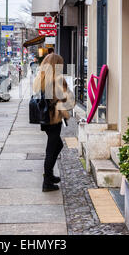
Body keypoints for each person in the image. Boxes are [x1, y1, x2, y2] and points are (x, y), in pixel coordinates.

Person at [33, 54, 75, 192]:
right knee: (51, 149)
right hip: (54, 118)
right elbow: (68, 100)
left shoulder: (41, 78)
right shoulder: (58, 80)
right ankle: (47, 182)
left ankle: (49, 175)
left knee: (57, 145)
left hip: (45, 118)